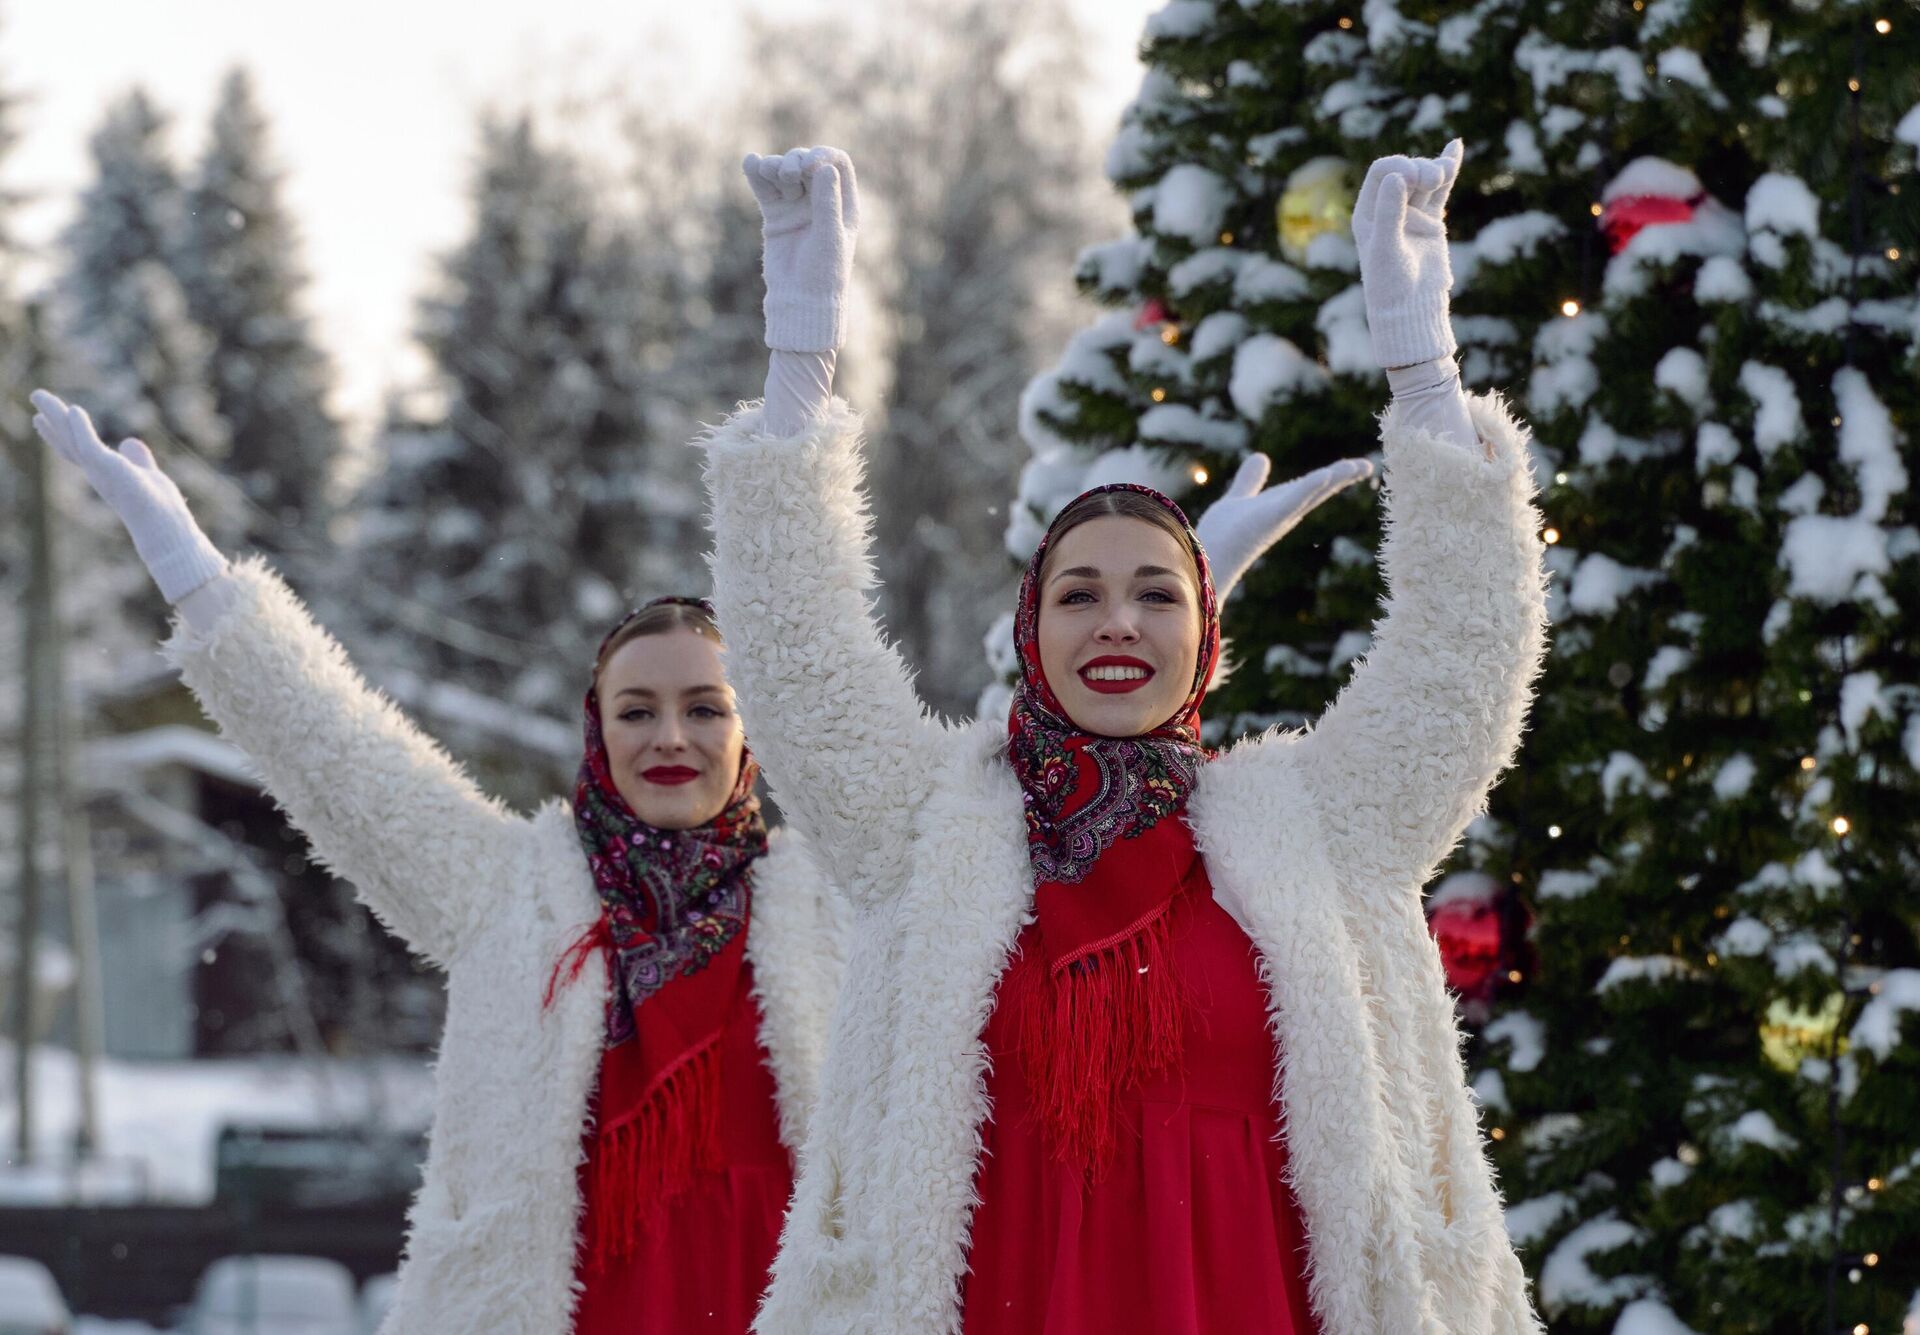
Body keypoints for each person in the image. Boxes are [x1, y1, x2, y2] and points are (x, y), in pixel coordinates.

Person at [699, 142, 1548, 1333]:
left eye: (1157, 594)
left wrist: (1426, 372)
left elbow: (1464, 666)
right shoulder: (928, 828)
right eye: (1079, 593)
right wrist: (799, 370)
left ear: (1206, 632)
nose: (1116, 622)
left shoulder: (1317, 825)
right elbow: (799, 661)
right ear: (1029, 627)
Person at [29, 391, 846, 1335]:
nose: (670, 734)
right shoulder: (512, 894)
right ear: (597, 728)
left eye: (705, 706)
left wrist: (799, 375)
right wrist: (200, 582)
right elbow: (338, 761)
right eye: (636, 708)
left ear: (751, 731)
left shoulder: (832, 908)